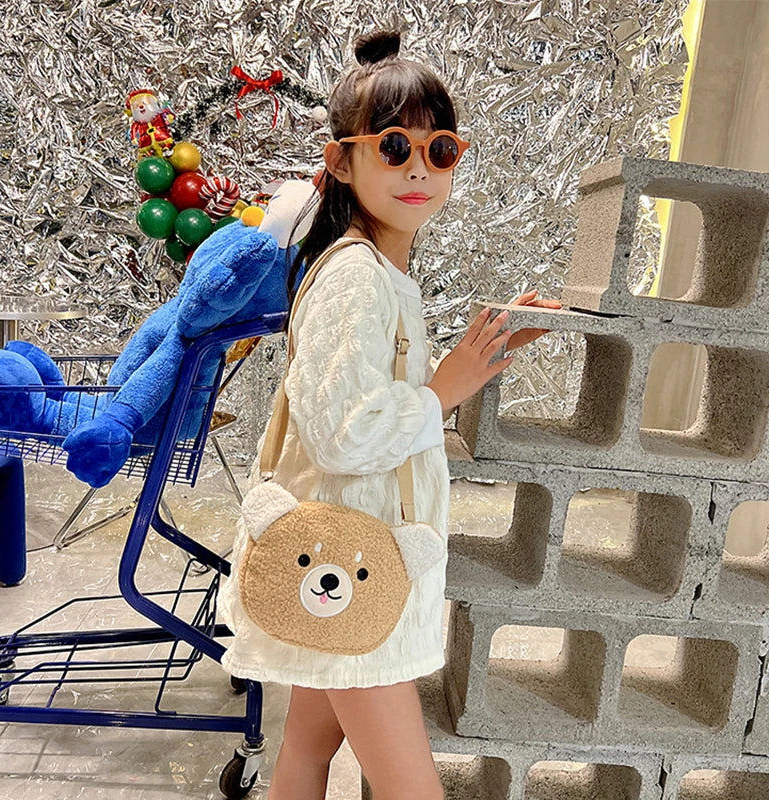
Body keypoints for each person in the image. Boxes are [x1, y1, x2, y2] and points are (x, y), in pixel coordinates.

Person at [219, 28, 560, 800]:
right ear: (342, 161)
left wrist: (480, 355)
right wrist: (443, 391)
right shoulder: (357, 278)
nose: (418, 169)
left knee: (306, 753)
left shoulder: (376, 272)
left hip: (348, 559)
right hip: (352, 571)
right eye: (394, 146)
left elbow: (365, 408)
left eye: (441, 150)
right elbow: (344, 436)